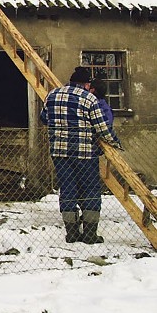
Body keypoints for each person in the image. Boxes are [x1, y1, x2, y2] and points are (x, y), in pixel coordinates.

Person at [41, 67, 122, 244]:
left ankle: (71, 233)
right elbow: (102, 128)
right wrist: (115, 142)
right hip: (85, 153)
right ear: (86, 84)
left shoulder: (52, 95)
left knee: (68, 189)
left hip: (60, 152)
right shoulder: (89, 99)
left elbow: (44, 118)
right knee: (91, 190)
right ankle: (90, 234)